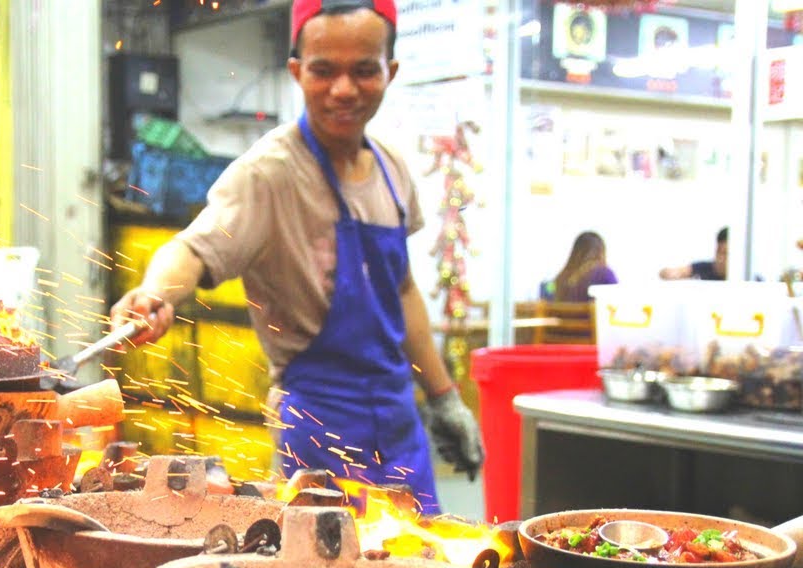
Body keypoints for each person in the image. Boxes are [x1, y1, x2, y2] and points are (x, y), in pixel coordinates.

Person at [109, 0, 482, 514]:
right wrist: (154, 294)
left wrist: (443, 398)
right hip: (318, 434)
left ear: (389, 72)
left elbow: (402, 289)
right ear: (296, 72)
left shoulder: (393, 170)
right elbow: (191, 249)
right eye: (324, 71)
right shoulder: (270, 173)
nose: (344, 89)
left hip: (400, 427)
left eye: (364, 70)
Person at [540, 231, 617, 302]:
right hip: (591, 317)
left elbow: (546, 298)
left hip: (563, 317)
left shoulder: (561, 278)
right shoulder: (605, 274)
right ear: (601, 252)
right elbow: (616, 304)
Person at [660, 227, 728, 280]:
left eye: (726, 254)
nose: (720, 258)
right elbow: (666, 272)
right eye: (718, 252)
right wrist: (673, 273)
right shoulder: (705, 268)